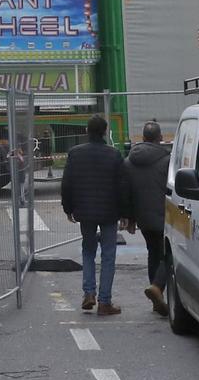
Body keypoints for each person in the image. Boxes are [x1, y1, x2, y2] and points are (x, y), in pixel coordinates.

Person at [61, 113, 129, 316]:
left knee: (88, 251)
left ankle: (88, 293)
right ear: (105, 131)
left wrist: (68, 208)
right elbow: (122, 186)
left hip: (85, 211)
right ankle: (104, 302)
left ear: (86, 131)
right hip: (109, 211)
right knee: (108, 255)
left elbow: (67, 183)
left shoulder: (75, 153)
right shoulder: (114, 154)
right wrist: (125, 213)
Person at [123, 121, 172, 316]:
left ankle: (156, 296)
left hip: (143, 217)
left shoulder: (129, 161)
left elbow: (126, 192)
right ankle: (158, 287)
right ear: (160, 138)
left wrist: (129, 217)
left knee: (153, 253)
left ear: (143, 138)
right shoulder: (167, 160)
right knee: (170, 254)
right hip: (164, 215)